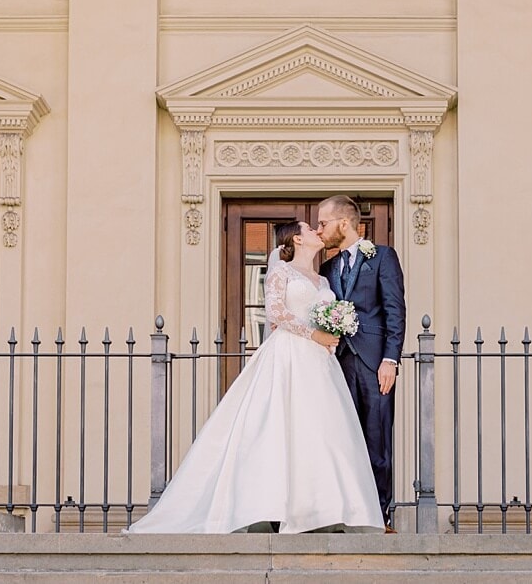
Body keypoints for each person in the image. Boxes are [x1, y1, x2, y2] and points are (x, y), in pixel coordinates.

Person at [128, 221, 384, 534]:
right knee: (280, 428)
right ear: (297, 239)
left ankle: (319, 510)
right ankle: (273, 508)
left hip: (320, 364)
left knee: (320, 432)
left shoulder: (322, 278)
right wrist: (314, 334)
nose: (318, 231)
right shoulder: (281, 272)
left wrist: (333, 329)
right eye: (309, 228)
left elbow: (320, 314)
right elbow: (276, 313)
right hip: (289, 357)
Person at [316, 196, 406, 532]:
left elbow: (395, 310)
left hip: (373, 362)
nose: (320, 230)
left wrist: (390, 359)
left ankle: (380, 516)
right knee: (340, 441)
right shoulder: (326, 269)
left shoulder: (382, 257)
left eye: (324, 223)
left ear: (344, 223)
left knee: (377, 441)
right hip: (337, 364)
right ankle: (344, 513)